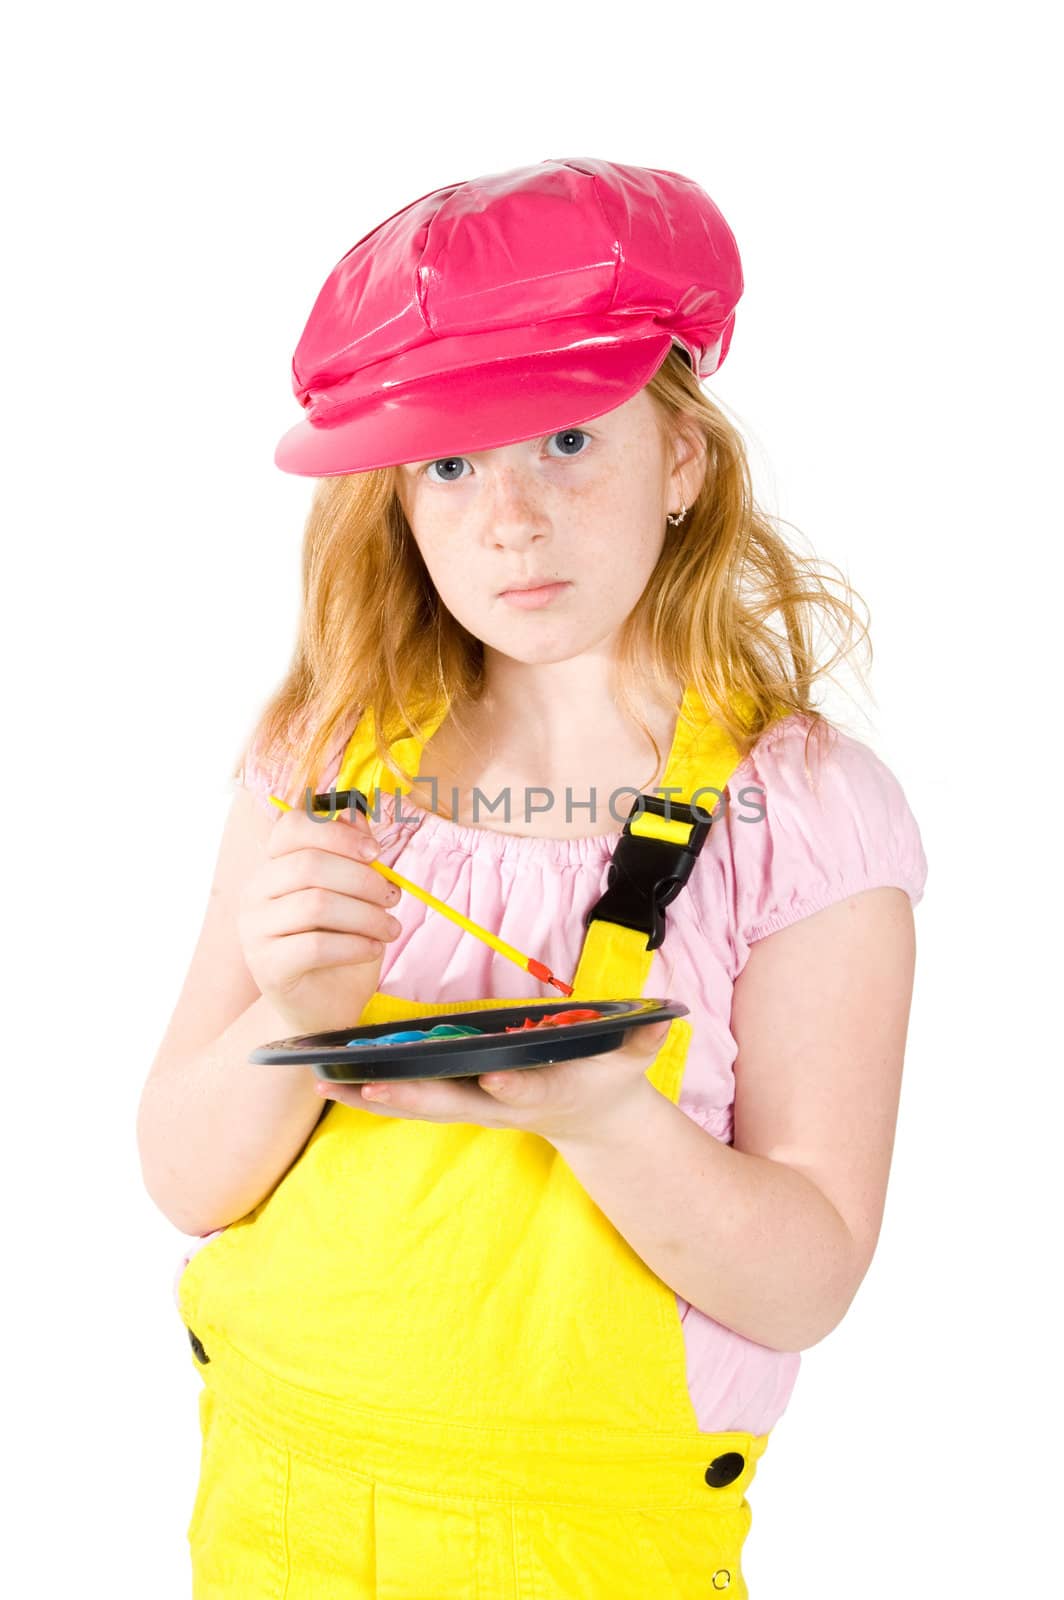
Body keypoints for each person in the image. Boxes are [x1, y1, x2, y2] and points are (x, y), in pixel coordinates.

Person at [137, 156, 928, 1599]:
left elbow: (808, 1279)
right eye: (450, 462)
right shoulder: (325, 759)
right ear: (398, 498)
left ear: (680, 458)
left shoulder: (803, 814)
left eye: (567, 439)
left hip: (587, 1541)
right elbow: (184, 1179)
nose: (508, 518)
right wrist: (290, 1018)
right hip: (275, 1504)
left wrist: (605, 1117)